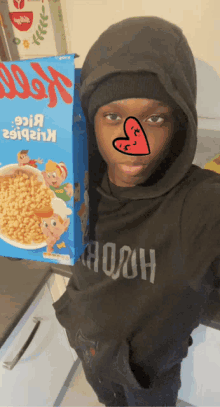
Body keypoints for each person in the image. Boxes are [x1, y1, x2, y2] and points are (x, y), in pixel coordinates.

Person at [51, 16, 220, 406]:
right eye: (113, 117)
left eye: (154, 118)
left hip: (150, 374)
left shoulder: (202, 205)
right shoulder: (70, 187)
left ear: (178, 122)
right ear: (90, 118)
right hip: (87, 350)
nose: (134, 143)